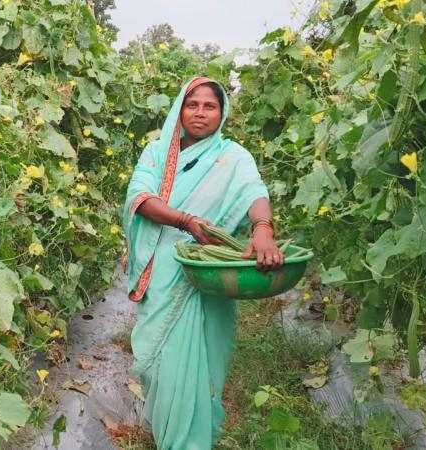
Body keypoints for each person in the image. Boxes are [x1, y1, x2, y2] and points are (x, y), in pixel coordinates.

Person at [122, 76, 284, 449]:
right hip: (165, 269)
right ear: (180, 110)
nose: (200, 113)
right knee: (161, 367)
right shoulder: (157, 153)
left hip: (210, 270)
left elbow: (254, 192)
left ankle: (191, 441)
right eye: (192, 105)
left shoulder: (234, 157)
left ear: (221, 113)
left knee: (203, 360)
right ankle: (170, 431)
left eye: (210, 106)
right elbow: (140, 197)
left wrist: (263, 229)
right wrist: (186, 221)